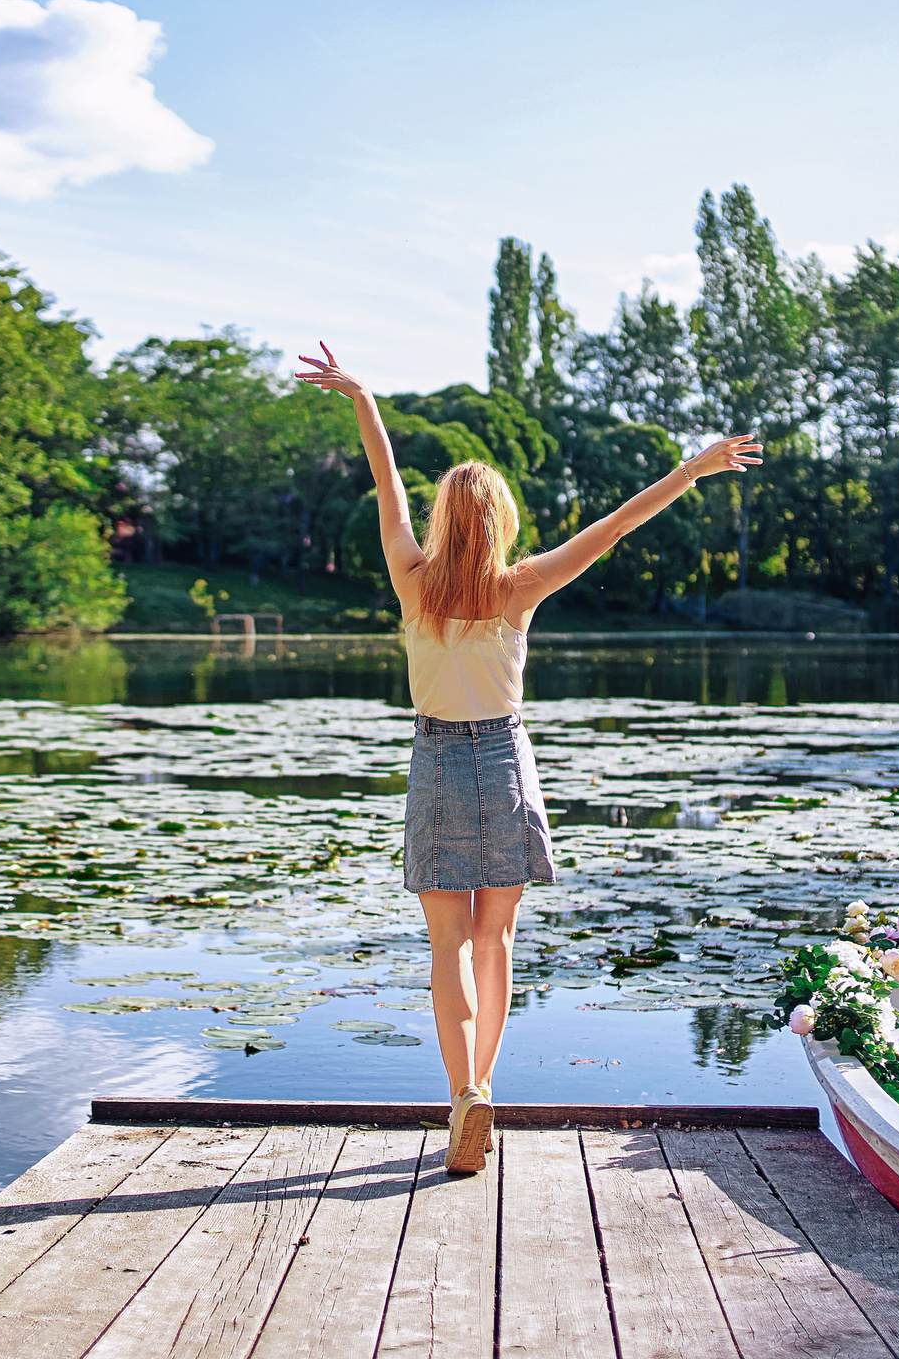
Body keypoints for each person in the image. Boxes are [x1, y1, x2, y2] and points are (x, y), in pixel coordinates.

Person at [295, 343, 762, 1173]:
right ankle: (484, 1085)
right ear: (501, 521)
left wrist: (363, 396)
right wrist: (693, 468)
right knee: (493, 939)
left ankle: (463, 1097)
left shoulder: (411, 576)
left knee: (445, 946)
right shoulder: (521, 587)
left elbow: (386, 485)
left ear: (446, 519)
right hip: (505, 762)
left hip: (436, 760)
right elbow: (616, 525)